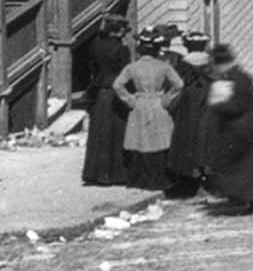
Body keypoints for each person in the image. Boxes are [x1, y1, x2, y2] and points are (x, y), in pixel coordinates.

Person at [204, 44, 253, 215]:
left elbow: (238, 106)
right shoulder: (237, 77)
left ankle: (250, 202)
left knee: (238, 168)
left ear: (219, 63)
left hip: (236, 130)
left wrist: (217, 105)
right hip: (237, 129)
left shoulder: (235, 80)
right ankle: (245, 200)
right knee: (242, 167)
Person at [113, 30, 184, 191]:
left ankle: (138, 179)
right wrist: (166, 99)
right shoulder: (164, 66)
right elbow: (179, 84)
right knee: (159, 141)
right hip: (158, 104)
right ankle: (160, 179)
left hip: (139, 105)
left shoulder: (132, 67)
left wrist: (130, 100)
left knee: (140, 140)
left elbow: (117, 85)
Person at [82, 16, 133, 186]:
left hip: (99, 92)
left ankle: (95, 174)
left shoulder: (95, 45)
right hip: (116, 92)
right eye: (124, 31)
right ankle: (117, 174)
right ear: (119, 31)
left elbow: (92, 68)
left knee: (99, 132)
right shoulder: (122, 49)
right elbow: (125, 74)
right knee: (117, 133)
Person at [166, 30, 214, 198]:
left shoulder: (182, 64)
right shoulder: (211, 63)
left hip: (188, 105)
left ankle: (189, 176)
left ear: (187, 46)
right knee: (206, 137)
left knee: (188, 136)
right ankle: (207, 177)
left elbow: (176, 85)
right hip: (209, 103)